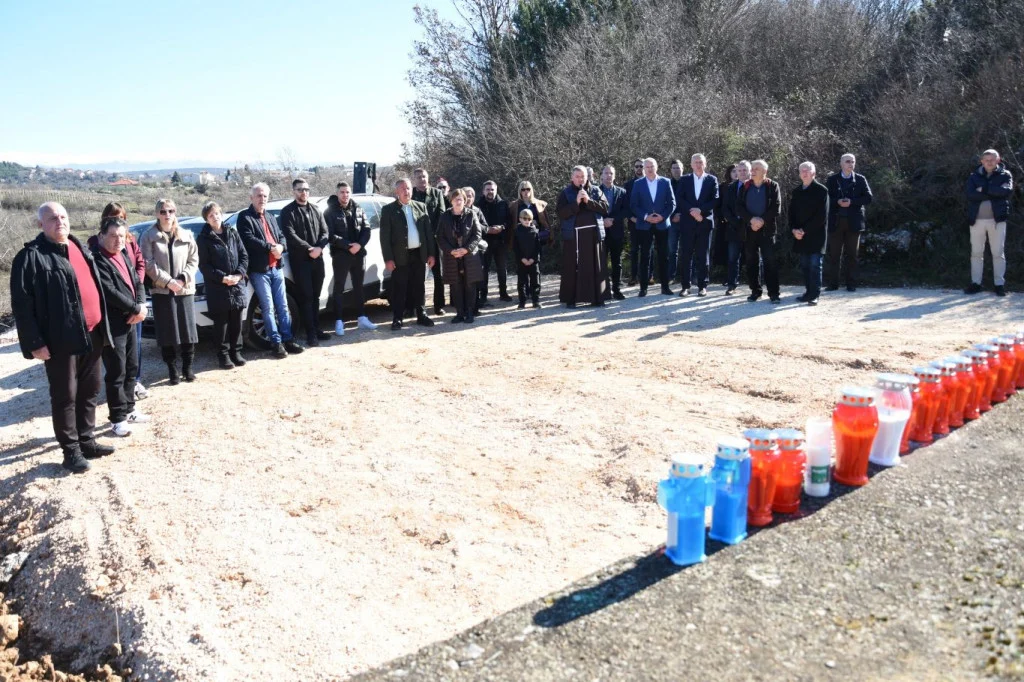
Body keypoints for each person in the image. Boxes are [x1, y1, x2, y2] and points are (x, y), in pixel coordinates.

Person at [11, 202, 116, 472]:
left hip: (92, 333)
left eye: (63, 216)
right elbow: (22, 306)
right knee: (65, 395)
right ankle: (71, 452)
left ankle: (87, 441)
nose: (60, 221)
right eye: (52, 218)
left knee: (90, 389)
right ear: (40, 224)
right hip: (60, 339)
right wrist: (34, 343)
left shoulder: (79, 247)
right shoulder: (31, 257)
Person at [91, 217, 148, 436]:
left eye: (122, 236)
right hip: (113, 324)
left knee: (132, 368)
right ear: (101, 236)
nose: (118, 240)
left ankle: (129, 409)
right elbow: (109, 292)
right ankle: (117, 419)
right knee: (117, 372)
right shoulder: (97, 260)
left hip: (131, 319)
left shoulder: (123, 254)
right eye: (113, 236)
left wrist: (140, 305)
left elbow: (137, 281)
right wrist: (135, 308)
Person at [236, 182, 303, 358]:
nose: (262, 199)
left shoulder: (271, 217)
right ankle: (276, 343)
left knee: (283, 306)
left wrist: (281, 246)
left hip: (277, 268)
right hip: (259, 271)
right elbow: (248, 239)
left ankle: (288, 339)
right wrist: (270, 247)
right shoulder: (244, 217)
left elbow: (281, 236)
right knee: (268, 308)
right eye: (259, 195)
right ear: (251, 198)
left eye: (265, 196)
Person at [140, 198, 199, 383]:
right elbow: (148, 263)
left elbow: (194, 260)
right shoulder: (148, 236)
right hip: (162, 291)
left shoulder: (186, 234)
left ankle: (188, 368)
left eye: (171, 211)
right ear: (157, 213)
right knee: (167, 333)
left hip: (184, 289)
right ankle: (172, 370)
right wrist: (167, 282)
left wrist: (182, 279)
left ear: (175, 212)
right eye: (163, 211)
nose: (167, 215)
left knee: (188, 332)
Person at [197, 201, 249, 369]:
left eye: (217, 213)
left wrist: (239, 274)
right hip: (218, 287)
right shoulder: (203, 238)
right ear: (206, 219)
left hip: (236, 284)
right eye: (211, 215)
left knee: (236, 321)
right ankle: (223, 355)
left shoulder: (232, 233)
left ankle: (236, 351)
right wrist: (222, 278)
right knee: (222, 324)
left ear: (221, 214)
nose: (215, 217)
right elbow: (204, 266)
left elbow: (244, 255)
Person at [380, 178, 436, 330]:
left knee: (419, 286)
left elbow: (428, 233)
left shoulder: (420, 207)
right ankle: (397, 318)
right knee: (400, 288)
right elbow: (384, 238)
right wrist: (388, 259)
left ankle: (421, 315)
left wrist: (431, 254)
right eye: (403, 189)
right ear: (397, 192)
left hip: (419, 254)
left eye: (409, 188)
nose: (406, 191)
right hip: (400, 256)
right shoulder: (388, 210)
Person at [280, 178, 330, 346]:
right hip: (301, 261)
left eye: (306, 189)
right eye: (300, 189)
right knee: (306, 297)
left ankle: (317, 328)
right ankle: (310, 334)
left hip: (318, 259)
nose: (304, 192)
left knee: (316, 296)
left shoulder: (316, 209)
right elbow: (290, 235)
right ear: (294, 191)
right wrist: (310, 249)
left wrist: (319, 248)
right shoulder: (287, 212)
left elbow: (325, 232)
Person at [324, 181, 376, 334]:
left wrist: (359, 245)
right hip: (341, 254)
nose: (345, 195)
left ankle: (362, 318)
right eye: (342, 192)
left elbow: (367, 229)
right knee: (339, 287)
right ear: (337, 193)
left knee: (359, 286)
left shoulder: (358, 208)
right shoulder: (329, 212)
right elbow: (329, 235)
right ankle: (339, 321)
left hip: (358, 253)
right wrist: (348, 246)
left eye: (347, 192)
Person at [558, 166, 610, 307]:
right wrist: (576, 203)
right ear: (572, 178)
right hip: (574, 236)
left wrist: (588, 201)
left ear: (587, 177)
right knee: (572, 267)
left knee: (596, 267)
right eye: (577, 177)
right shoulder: (565, 193)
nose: (580, 179)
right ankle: (571, 299)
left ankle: (597, 298)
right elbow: (561, 213)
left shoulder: (596, 190)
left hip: (593, 236)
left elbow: (605, 208)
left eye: (583, 176)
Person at [965, 149, 1013, 296]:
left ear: (998, 160)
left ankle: (999, 285)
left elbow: (1005, 192)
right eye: (986, 160)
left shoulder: (1005, 175)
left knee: (998, 253)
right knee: (976, 253)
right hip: (976, 221)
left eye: (992, 159)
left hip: (997, 220)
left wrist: (983, 189)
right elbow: (970, 195)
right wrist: (993, 192)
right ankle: (976, 284)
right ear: (982, 161)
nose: (989, 162)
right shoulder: (974, 176)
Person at [825, 153, 873, 292]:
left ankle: (851, 284)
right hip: (836, 222)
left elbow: (868, 198)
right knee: (834, 254)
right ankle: (833, 284)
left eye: (853, 161)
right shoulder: (832, 179)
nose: (850, 164)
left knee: (852, 255)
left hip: (854, 222)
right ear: (841, 163)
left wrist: (852, 202)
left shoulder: (860, 179)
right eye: (847, 161)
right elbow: (826, 199)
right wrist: (838, 202)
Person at [629, 158, 676, 297]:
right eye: (647, 167)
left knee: (664, 256)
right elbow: (633, 205)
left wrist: (663, 216)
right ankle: (643, 288)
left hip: (662, 224)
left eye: (652, 166)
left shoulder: (665, 182)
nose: (649, 169)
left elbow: (672, 203)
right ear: (644, 168)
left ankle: (665, 287)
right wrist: (645, 217)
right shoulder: (638, 184)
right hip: (645, 225)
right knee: (645, 256)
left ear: (657, 167)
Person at [738, 160, 783, 303]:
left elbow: (776, 207)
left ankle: (774, 294)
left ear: (765, 172)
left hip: (767, 230)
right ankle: (755, 291)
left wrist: (761, 220)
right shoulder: (745, 186)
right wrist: (751, 220)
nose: (752, 171)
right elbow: (739, 207)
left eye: (756, 169)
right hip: (749, 229)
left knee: (770, 261)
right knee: (751, 262)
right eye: (752, 168)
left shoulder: (772, 186)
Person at [438, 188, 485, 323]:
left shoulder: (471, 214)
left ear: (464, 200)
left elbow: (477, 235)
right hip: (452, 257)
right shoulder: (445, 216)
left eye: (460, 199)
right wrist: (451, 251)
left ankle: (470, 312)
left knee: (470, 285)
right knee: (456, 285)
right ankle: (459, 313)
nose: (458, 202)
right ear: (451, 201)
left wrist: (466, 249)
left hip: (469, 256)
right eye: (455, 199)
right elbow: (440, 237)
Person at [676, 154, 719, 297]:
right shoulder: (684, 179)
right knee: (686, 255)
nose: (698, 164)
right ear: (691, 164)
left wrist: (700, 211)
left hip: (704, 222)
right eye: (696, 162)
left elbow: (715, 199)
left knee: (703, 256)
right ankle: (685, 286)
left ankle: (702, 286)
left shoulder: (712, 180)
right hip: (687, 223)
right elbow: (679, 198)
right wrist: (692, 211)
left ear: (705, 164)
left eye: (701, 162)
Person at [788, 162, 829, 306]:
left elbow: (822, 216)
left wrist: (804, 230)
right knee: (805, 265)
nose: (804, 172)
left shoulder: (821, 190)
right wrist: (794, 230)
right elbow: (791, 214)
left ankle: (815, 295)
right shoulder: (796, 191)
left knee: (815, 265)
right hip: (800, 236)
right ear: (799, 174)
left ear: (814, 173)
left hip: (816, 235)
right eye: (802, 170)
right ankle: (808, 292)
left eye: (807, 170)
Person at [411, 168, 448, 315]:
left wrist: (434, 234)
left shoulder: (436, 193)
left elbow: (442, 215)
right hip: (417, 241)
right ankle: (416, 307)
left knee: (438, 275)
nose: (422, 179)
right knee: (416, 276)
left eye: (424, 176)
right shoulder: (410, 194)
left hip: (434, 239)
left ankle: (438, 305)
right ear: (414, 180)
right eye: (419, 177)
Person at [477, 180, 513, 305]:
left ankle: (503, 293)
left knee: (502, 269)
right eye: (488, 189)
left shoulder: (503, 204)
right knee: (484, 269)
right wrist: (487, 229)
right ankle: (483, 296)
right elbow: (476, 223)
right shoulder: (478, 205)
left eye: (492, 189)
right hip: (484, 242)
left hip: (500, 241)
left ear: (496, 190)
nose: (490, 192)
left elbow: (509, 221)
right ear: (483, 191)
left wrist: (502, 227)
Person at [599, 165, 629, 300]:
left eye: (611, 173)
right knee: (601, 262)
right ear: (602, 175)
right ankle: (603, 291)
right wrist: (603, 220)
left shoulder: (622, 192)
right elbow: (592, 211)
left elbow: (626, 210)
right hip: (600, 232)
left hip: (616, 231)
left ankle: (617, 289)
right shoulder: (595, 191)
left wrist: (613, 219)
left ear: (614, 175)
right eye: (606, 173)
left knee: (617, 262)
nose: (608, 175)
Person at [720, 162, 749, 295]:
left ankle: (755, 286)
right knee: (732, 258)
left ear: (749, 171)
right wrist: (733, 221)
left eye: (744, 170)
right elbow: (725, 207)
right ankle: (732, 285)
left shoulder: (754, 186)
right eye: (739, 170)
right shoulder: (731, 187)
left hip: (750, 227)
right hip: (734, 227)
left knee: (753, 257)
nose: (741, 173)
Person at [514, 208, 542, 309]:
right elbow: (516, 247)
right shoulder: (517, 231)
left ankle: (536, 301)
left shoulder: (535, 231)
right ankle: (522, 301)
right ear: (520, 219)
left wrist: (533, 259)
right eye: (524, 219)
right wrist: (522, 258)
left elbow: (538, 247)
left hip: (533, 261)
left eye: (529, 219)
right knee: (522, 282)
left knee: (535, 281)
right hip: (521, 261)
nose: (527, 221)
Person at [623, 158, 645, 286]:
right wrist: (631, 217)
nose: (639, 169)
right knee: (634, 250)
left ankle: (648, 276)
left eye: (641, 166)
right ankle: (633, 277)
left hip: (648, 222)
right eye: (637, 166)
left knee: (647, 250)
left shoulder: (650, 182)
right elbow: (625, 204)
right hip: (634, 222)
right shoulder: (628, 185)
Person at [668, 159, 686, 283]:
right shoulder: (667, 183)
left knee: (687, 250)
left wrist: (682, 215)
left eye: (678, 167)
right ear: (670, 170)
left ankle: (686, 276)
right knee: (672, 250)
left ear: (682, 169)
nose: (676, 170)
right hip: (672, 221)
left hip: (686, 221)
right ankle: (671, 276)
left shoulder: (688, 182)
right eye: (674, 168)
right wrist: (672, 216)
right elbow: (664, 202)